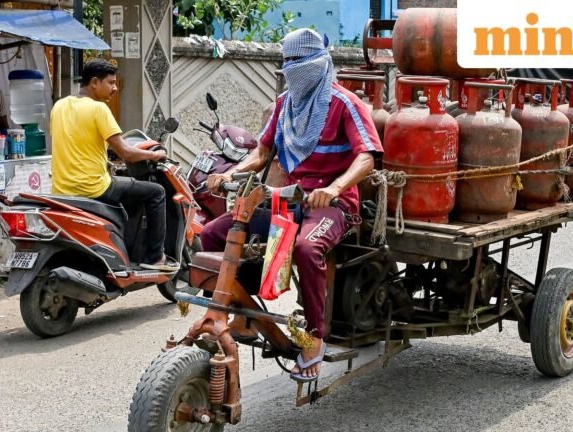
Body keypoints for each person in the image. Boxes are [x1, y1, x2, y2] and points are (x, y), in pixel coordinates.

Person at [203, 28, 383, 382]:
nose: (291, 70)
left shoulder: (345, 103)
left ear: (317, 64)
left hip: (334, 205)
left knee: (305, 247)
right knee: (213, 234)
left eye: (297, 62)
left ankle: (315, 337)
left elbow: (367, 158)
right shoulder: (285, 105)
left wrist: (334, 187)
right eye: (286, 63)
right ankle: (245, 311)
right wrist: (231, 173)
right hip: (287, 199)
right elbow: (261, 151)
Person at [50, 59, 179, 271]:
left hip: (62, 189)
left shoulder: (59, 106)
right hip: (93, 188)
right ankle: (155, 257)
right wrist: (156, 156)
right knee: (156, 192)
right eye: (110, 83)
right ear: (94, 83)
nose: (115, 88)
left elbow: (77, 140)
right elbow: (126, 151)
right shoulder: (98, 109)